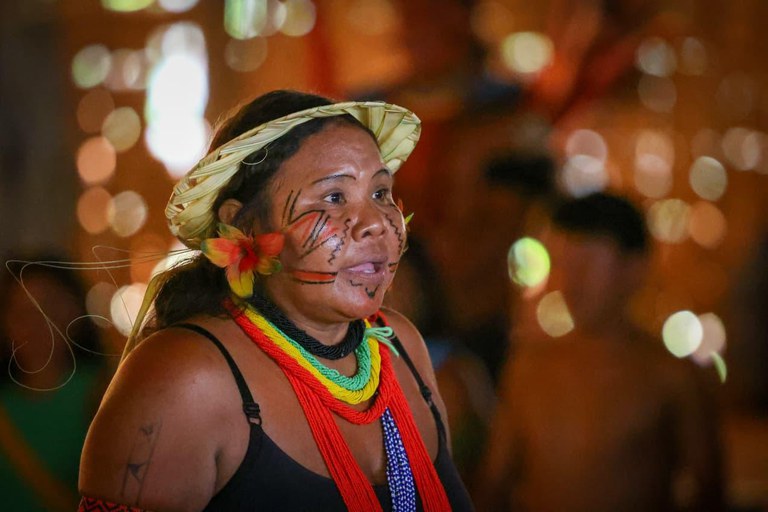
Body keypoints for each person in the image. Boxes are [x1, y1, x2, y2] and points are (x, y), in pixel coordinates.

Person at [78, 90, 474, 511]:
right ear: (242, 225)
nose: (375, 224)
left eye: (380, 193)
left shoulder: (400, 347)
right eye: (334, 197)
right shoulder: (185, 379)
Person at [475, 193, 724, 511]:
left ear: (634, 269)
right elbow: (494, 483)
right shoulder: (528, 369)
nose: (571, 284)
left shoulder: (669, 377)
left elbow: (709, 492)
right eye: (563, 265)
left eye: (587, 266)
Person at [0, 256, 107, 511]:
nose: (36, 325)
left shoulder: (103, 392)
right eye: (22, 313)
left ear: (76, 312)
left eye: (48, 308)